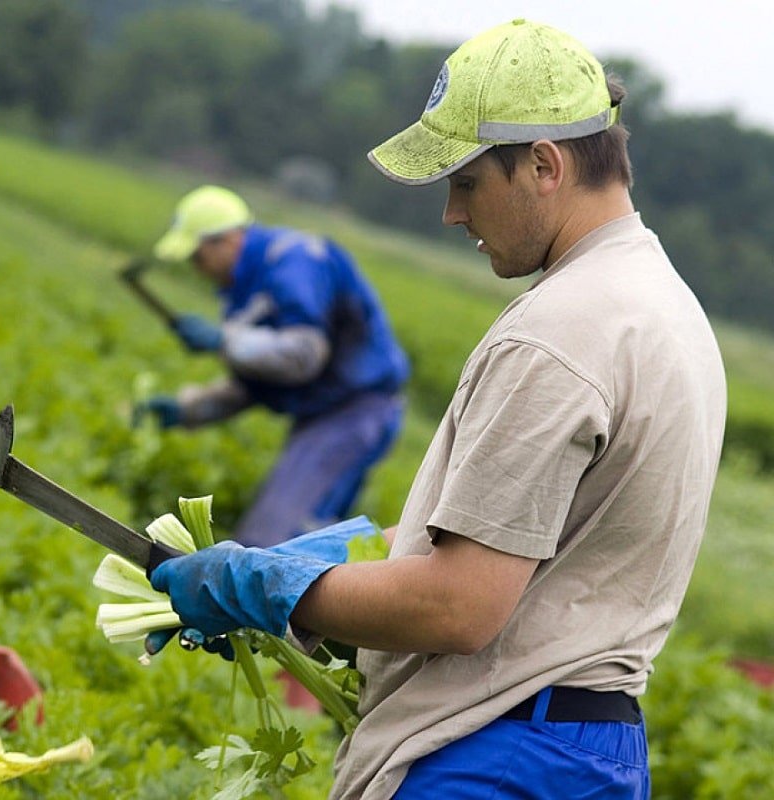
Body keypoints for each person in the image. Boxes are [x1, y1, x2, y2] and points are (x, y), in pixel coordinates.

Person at [146, 19, 727, 799]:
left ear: (544, 165)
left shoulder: (560, 332)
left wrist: (264, 587)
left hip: (494, 754)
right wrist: (323, 561)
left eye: (465, 184)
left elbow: (458, 606)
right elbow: (521, 551)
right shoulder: (664, 307)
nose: (454, 216)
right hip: (581, 748)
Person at [135, 185, 410, 547]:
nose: (196, 268)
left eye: (198, 257)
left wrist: (225, 341)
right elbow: (258, 381)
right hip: (325, 415)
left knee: (274, 542)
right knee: (303, 542)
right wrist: (190, 409)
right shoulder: (242, 293)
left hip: (353, 412)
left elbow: (304, 356)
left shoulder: (294, 261)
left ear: (228, 240)